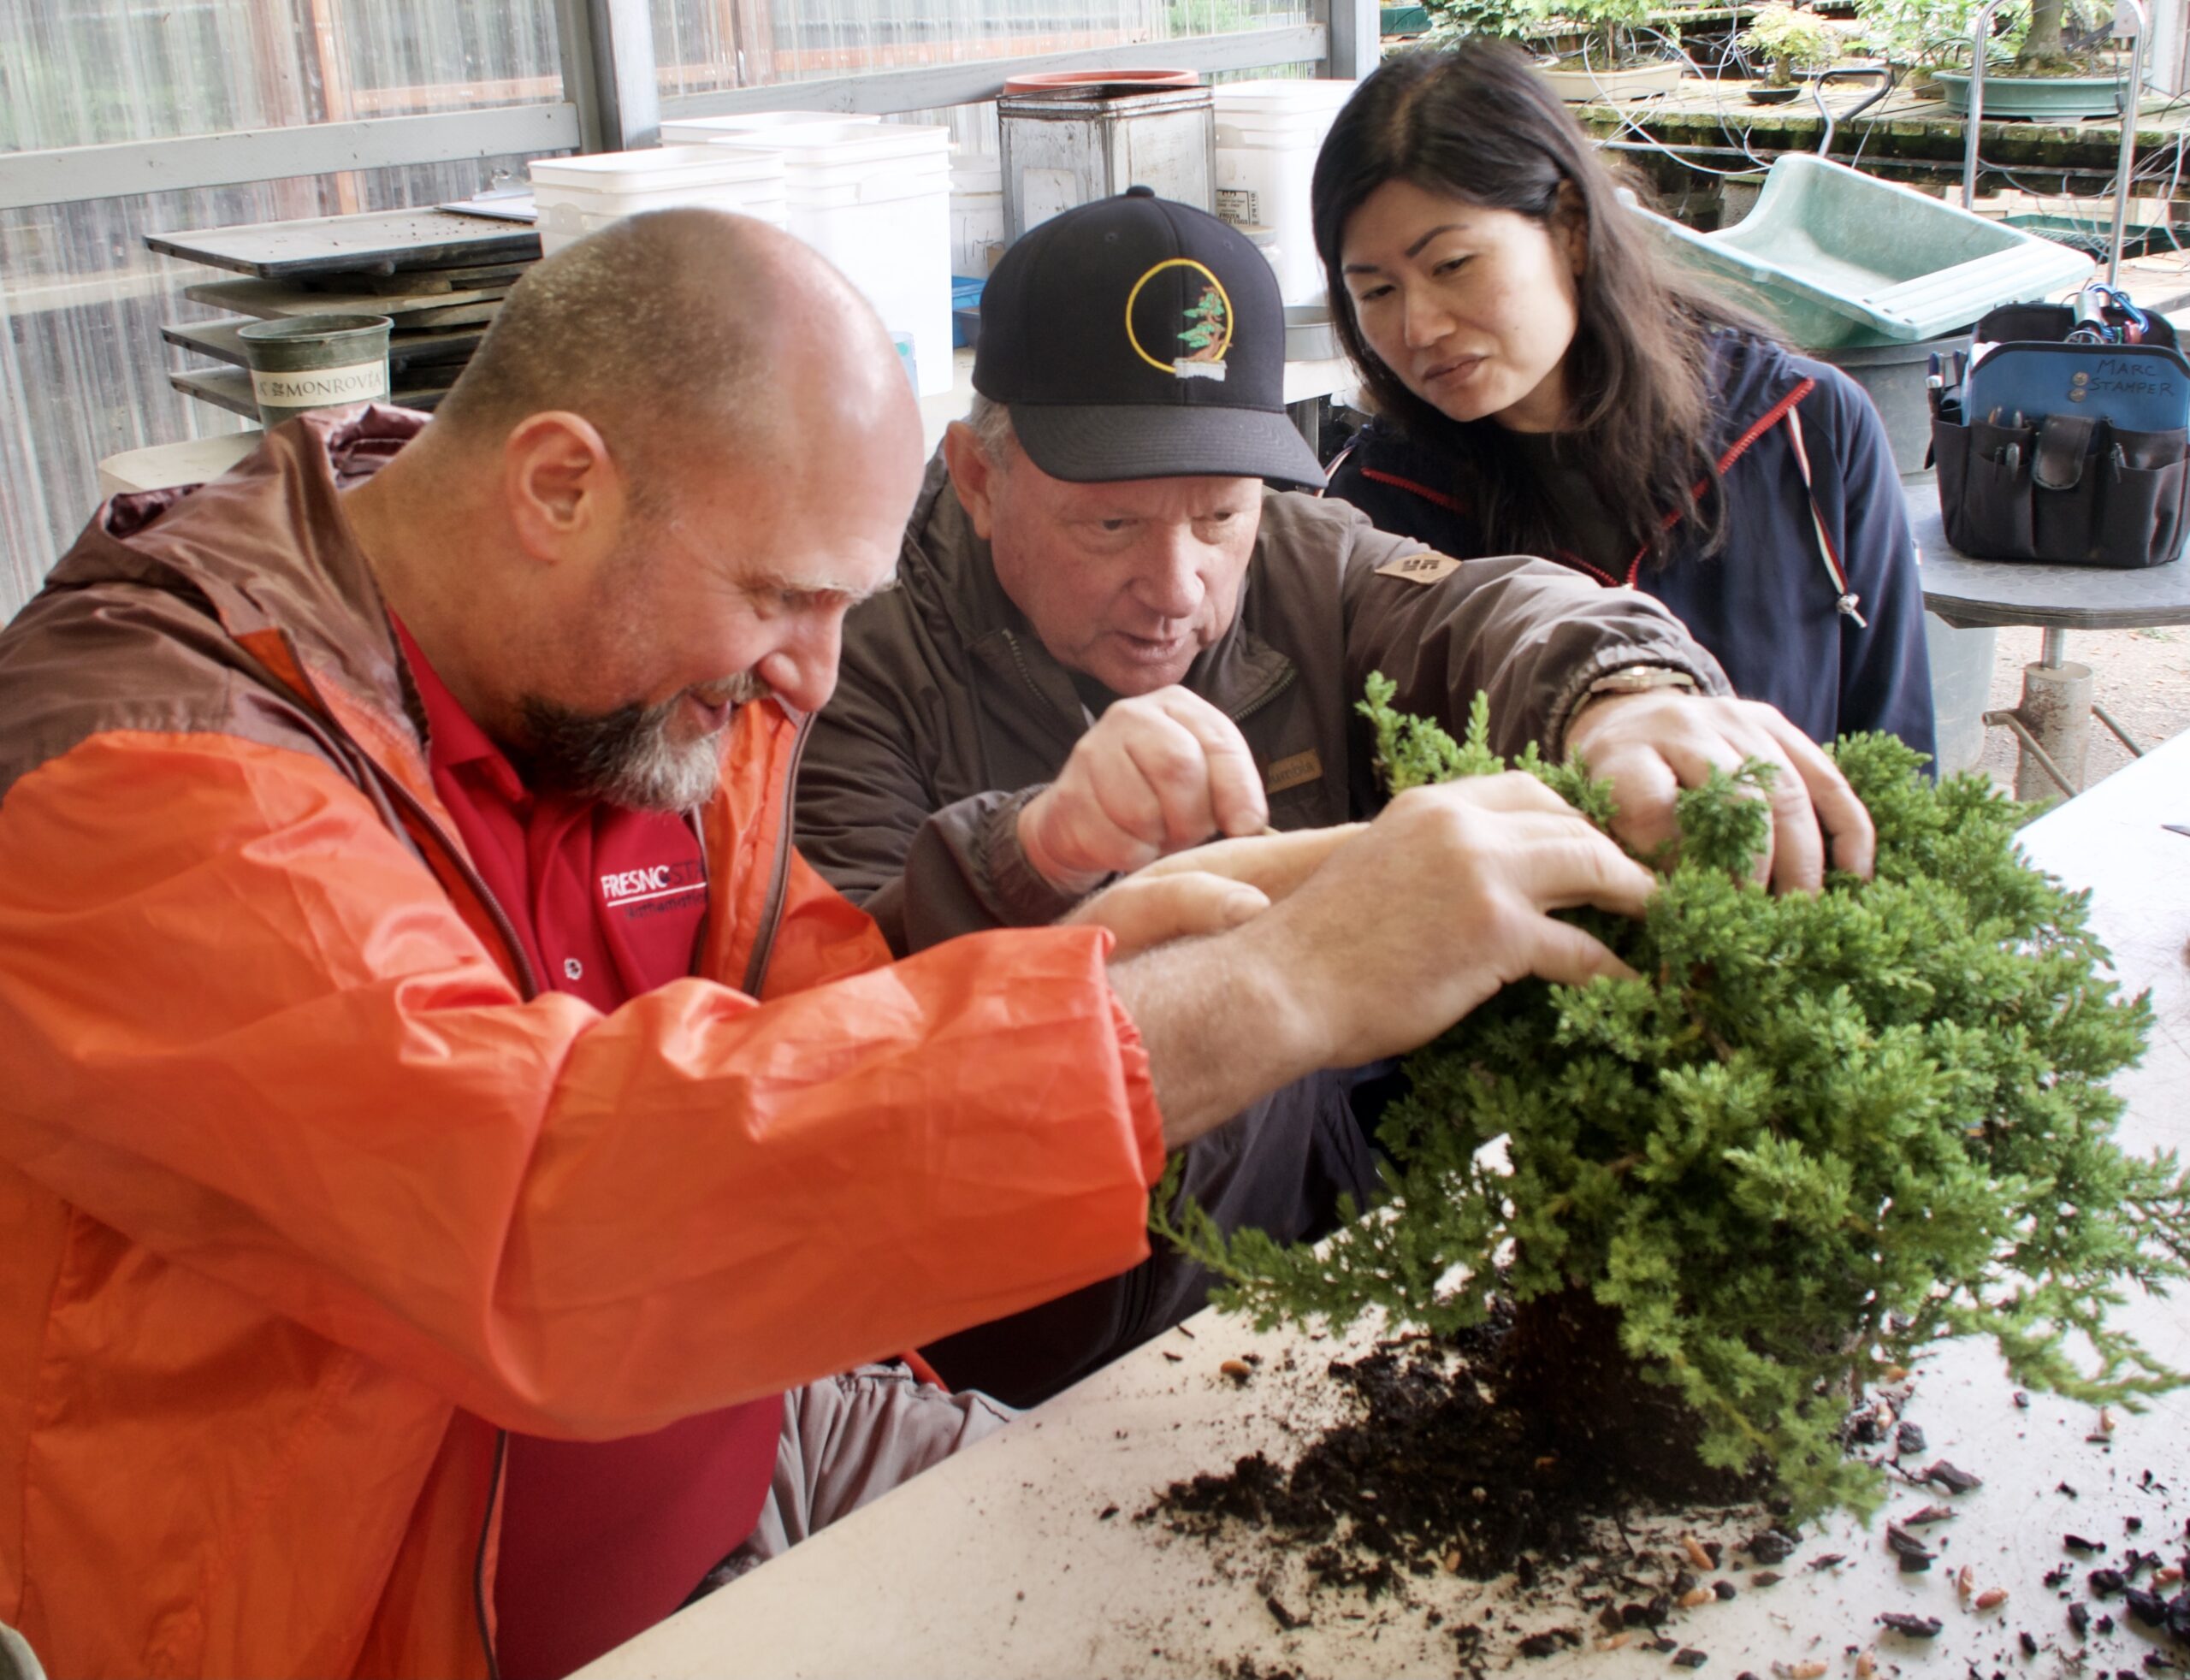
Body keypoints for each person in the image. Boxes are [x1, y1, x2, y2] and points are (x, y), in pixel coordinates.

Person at [0, 207, 1724, 1680]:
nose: (810, 681)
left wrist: (1109, 951)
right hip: (395, 1619)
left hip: (753, 1451)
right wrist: (1264, 991)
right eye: (782, 600)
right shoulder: (139, 771)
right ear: (554, 487)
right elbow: (533, 1206)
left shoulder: (620, 670)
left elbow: (820, 1023)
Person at [795, 187, 1878, 1408]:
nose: (1177, 586)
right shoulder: (846, 658)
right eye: (1110, 523)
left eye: (1220, 515)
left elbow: (1484, 607)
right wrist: (1034, 851)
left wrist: (1620, 690)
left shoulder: (1309, 565)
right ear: (980, 477)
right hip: (991, 1353)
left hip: (1301, 1306)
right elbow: (826, 1039)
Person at [1312, 40, 1937, 760]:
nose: (1419, 327)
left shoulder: (1804, 429)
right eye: (1377, 291)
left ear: (1572, 228)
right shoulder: (1378, 507)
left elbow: (1896, 758)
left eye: (1452, 265)